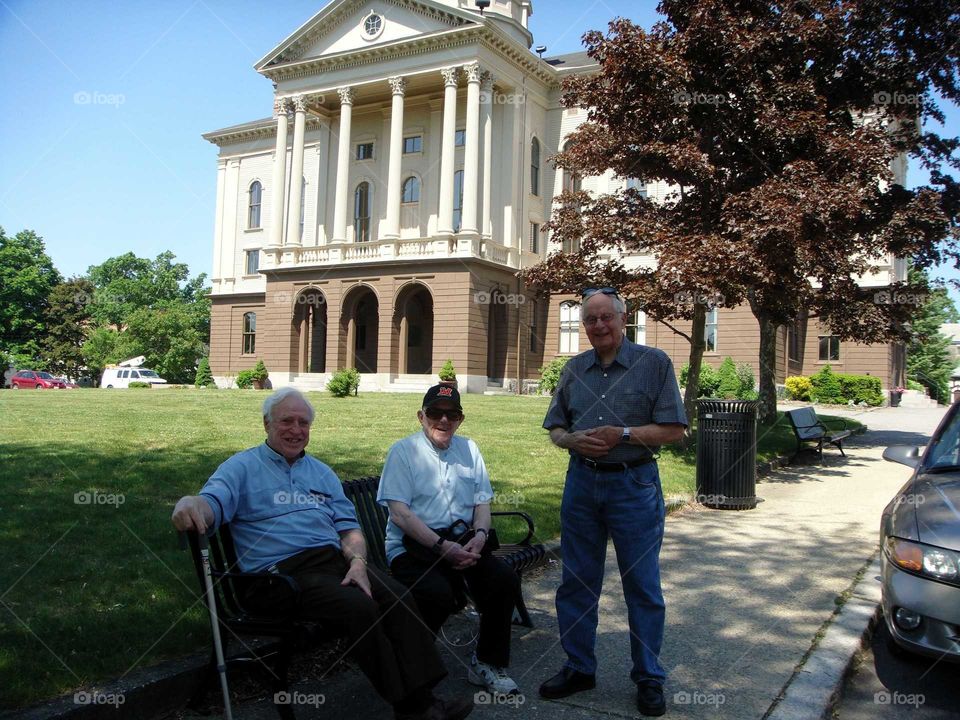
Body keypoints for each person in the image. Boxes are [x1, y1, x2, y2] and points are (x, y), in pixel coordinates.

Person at [171, 387, 472, 720]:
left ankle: (425, 698)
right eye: (287, 421)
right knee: (360, 606)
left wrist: (358, 562)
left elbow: (349, 529)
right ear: (266, 424)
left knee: (399, 597)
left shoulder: (321, 473)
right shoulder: (240, 468)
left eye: (303, 423)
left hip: (331, 563)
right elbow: (212, 502)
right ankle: (415, 709)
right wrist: (191, 503)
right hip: (277, 577)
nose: (296, 430)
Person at [539, 287, 688, 717]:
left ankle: (648, 677)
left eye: (606, 317)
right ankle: (579, 666)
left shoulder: (653, 364)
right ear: (582, 325)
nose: (599, 326)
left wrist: (621, 435)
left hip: (633, 486)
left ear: (624, 319)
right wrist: (571, 440)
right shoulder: (574, 369)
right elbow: (555, 427)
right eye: (591, 320)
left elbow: (674, 429)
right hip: (582, 486)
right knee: (576, 582)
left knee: (641, 585)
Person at [378, 384, 521, 695]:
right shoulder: (403, 452)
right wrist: (442, 548)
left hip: (462, 543)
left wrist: (481, 537)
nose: (443, 421)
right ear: (421, 416)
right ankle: (411, 669)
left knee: (504, 580)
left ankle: (486, 662)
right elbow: (400, 515)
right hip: (412, 547)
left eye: (452, 415)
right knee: (437, 592)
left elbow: (482, 503)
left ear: (460, 419)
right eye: (435, 413)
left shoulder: (470, 450)